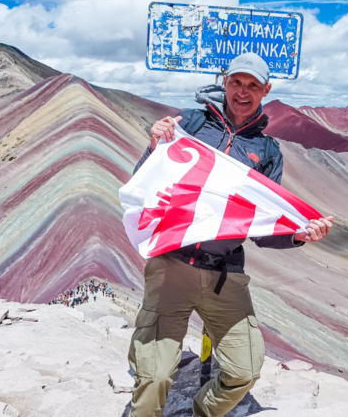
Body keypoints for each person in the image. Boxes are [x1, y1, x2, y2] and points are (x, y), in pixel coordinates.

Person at [127, 52, 333, 417]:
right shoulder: (189, 124)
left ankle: (201, 412)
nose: (243, 91)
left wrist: (300, 234)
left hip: (225, 274)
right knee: (155, 377)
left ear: (266, 90)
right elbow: (147, 181)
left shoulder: (266, 151)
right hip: (174, 264)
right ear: (224, 82)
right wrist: (154, 145)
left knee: (244, 370)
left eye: (253, 85)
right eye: (237, 82)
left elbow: (263, 228)